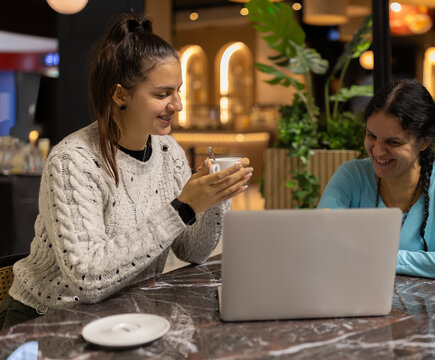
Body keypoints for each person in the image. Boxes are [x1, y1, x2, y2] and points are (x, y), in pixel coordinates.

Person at [0, 13, 252, 330]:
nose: (178, 105)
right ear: (121, 95)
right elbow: (88, 280)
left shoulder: (169, 152)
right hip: (47, 319)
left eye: (178, 90)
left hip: (124, 312)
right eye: (162, 94)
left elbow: (192, 251)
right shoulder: (72, 161)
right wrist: (183, 207)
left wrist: (213, 198)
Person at [317, 79, 435, 283]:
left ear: (424, 141)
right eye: (371, 136)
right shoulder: (351, 176)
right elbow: (317, 246)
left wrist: (386, 259)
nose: (378, 151)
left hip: (434, 313)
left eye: (393, 142)